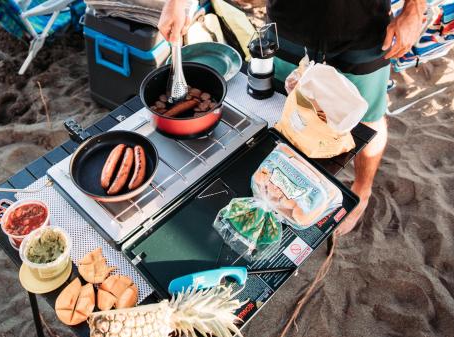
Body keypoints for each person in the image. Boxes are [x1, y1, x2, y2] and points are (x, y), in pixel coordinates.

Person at [158, 0, 426, 236]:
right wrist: (176, 4)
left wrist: (415, 8)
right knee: (288, 110)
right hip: (288, 25)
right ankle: (286, 190)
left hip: (364, 29)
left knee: (367, 119)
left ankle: (361, 191)